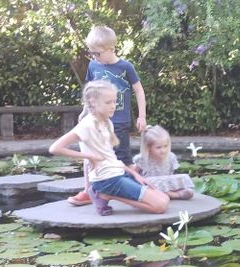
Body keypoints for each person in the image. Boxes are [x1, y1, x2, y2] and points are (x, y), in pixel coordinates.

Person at [49, 80, 169, 216]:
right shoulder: (87, 125)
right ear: (93, 102)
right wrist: (89, 157)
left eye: (114, 101)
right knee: (160, 206)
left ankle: (106, 194)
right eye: (108, 102)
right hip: (106, 180)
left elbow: (110, 157)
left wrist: (134, 174)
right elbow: (55, 148)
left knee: (165, 198)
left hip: (118, 173)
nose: (113, 106)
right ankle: (104, 195)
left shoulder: (107, 122)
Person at [68, 25, 148, 206]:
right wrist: (85, 111)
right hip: (97, 121)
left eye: (97, 53)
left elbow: (139, 91)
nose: (94, 57)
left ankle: (131, 188)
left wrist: (141, 116)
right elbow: (90, 91)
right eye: (92, 53)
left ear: (111, 48)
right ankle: (89, 190)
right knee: (90, 154)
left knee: (122, 157)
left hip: (119, 121)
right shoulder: (93, 65)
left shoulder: (125, 66)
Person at [133, 125, 194, 200]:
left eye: (165, 146)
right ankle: (174, 195)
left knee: (185, 180)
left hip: (165, 184)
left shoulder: (171, 157)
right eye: (158, 147)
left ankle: (169, 193)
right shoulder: (142, 158)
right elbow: (133, 174)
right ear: (148, 147)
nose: (163, 150)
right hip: (150, 185)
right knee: (149, 182)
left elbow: (171, 176)